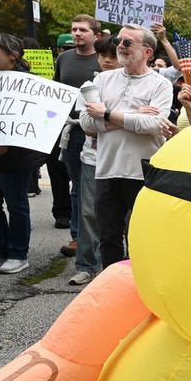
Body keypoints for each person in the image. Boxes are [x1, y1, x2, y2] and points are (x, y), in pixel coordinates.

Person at [78, 24, 174, 269]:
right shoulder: (101, 79)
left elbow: (154, 124)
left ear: (147, 52)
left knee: (142, 237)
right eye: (119, 40)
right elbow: (87, 123)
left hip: (144, 171)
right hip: (107, 170)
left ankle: (141, 290)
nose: (120, 45)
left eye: (128, 42)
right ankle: (111, 289)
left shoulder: (160, 84)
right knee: (108, 237)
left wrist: (107, 114)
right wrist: (132, 116)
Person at [66, 35, 120, 286]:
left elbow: (145, 125)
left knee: (126, 216)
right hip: (92, 158)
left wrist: (106, 117)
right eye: (103, 56)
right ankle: (87, 265)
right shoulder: (89, 87)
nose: (107, 61)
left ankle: (124, 267)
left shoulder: (135, 86)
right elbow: (88, 128)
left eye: (113, 56)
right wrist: (123, 119)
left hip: (123, 160)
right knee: (88, 213)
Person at [0, 33, 42, 274]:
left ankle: (18, 253)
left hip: (17, 157)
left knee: (16, 204)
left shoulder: (29, 83)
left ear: (13, 54)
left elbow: (35, 123)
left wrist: (10, 143)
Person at [54, 14, 101, 260]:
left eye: (83, 30)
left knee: (96, 187)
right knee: (76, 187)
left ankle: (99, 237)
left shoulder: (104, 60)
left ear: (96, 35)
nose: (77, 34)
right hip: (72, 132)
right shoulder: (63, 59)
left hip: (99, 131)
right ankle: (77, 236)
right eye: (74, 30)